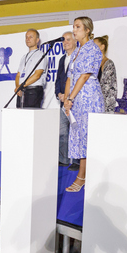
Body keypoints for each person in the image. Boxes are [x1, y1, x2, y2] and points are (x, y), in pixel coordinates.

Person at [63, 17, 105, 192]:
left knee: (87, 137)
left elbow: (85, 76)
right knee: (79, 136)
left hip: (89, 98)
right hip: (76, 99)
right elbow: (70, 77)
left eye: (78, 27)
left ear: (87, 30)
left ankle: (82, 177)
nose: (74, 30)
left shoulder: (92, 49)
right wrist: (66, 99)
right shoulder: (76, 51)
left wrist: (71, 98)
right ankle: (85, 176)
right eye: (74, 27)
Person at [55, 31, 78, 169]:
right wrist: (59, 93)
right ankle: (63, 159)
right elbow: (58, 79)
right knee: (62, 131)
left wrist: (69, 95)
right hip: (62, 101)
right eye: (64, 40)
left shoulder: (79, 56)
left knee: (75, 131)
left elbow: (78, 80)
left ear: (75, 41)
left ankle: (76, 161)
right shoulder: (62, 59)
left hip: (74, 100)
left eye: (69, 39)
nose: (65, 42)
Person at [14, 29, 46, 108]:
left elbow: (37, 75)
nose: (28, 39)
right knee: (19, 114)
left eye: (31, 37)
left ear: (37, 40)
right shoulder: (24, 57)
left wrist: (21, 86)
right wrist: (18, 88)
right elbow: (18, 75)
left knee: (31, 114)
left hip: (33, 91)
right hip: (22, 91)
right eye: (26, 37)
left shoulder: (40, 55)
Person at [94, 35, 118, 114]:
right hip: (94, 104)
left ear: (102, 47)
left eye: (94, 46)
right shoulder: (93, 64)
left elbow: (108, 89)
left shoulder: (109, 64)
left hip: (104, 106)